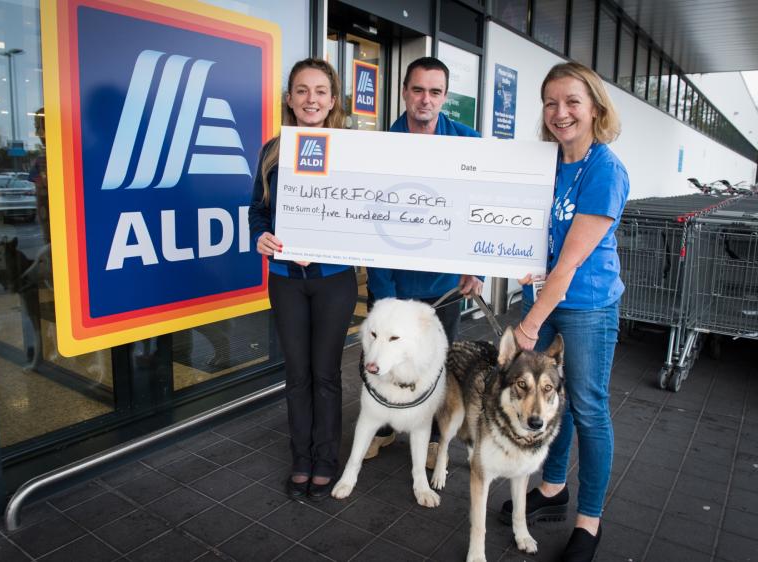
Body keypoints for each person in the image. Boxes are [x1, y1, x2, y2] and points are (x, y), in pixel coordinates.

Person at [502, 61, 629, 562]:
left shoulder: (605, 171)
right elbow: (536, 232)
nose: (561, 112)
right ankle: (554, 489)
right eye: (551, 102)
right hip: (547, 294)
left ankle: (589, 521)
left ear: (595, 107)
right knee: (557, 404)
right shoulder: (546, 161)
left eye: (572, 101)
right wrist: (519, 261)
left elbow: (572, 262)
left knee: (588, 406)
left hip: (587, 305)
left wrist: (530, 322)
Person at [364, 57, 484, 465]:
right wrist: (381, 292)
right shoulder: (380, 146)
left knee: (435, 365)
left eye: (435, 92)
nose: (425, 99)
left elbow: (479, 208)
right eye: (418, 90)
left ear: (445, 97)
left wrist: (477, 267)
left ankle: (433, 437)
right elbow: (371, 221)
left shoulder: (469, 143)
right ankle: (382, 430)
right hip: (393, 281)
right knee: (381, 362)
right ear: (404, 92)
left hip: (444, 284)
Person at [248, 58, 357, 501]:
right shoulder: (272, 150)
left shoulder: (353, 150)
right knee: (297, 374)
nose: (310, 99)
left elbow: (367, 210)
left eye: (319, 91)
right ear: (289, 99)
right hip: (286, 278)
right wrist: (260, 236)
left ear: (333, 100)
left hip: (334, 279)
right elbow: (257, 208)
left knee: (326, 373)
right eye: (301, 90)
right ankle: (301, 457)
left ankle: (326, 458)